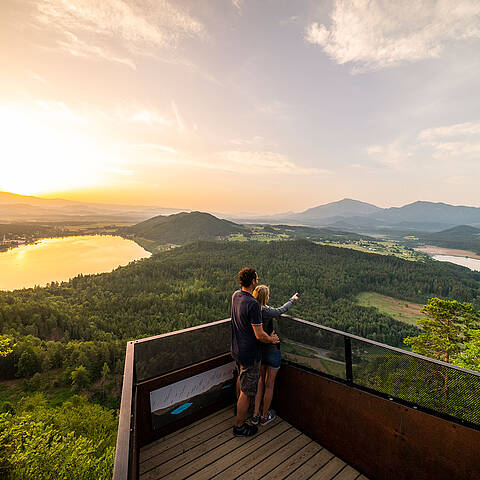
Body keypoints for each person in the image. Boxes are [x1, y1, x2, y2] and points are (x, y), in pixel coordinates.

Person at [231, 267, 280, 436]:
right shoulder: (253, 304)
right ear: (253, 281)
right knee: (247, 391)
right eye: (256, 278)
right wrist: (272, 339)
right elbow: (259, 335)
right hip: (250, 353)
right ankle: (239, 426)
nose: (257, 280)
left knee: (240, 379)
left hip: (237, 349)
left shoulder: (236, 295)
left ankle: (238, 410)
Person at [251, 285, 299, 426]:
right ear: (265, 297)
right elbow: (282, 310)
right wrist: (293, 299)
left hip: (260, 350)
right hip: (272, 350)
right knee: (269, 385)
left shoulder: (253, 309)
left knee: (260, 381)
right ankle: (265, 416)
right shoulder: (266, 311)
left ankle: (255, 415)